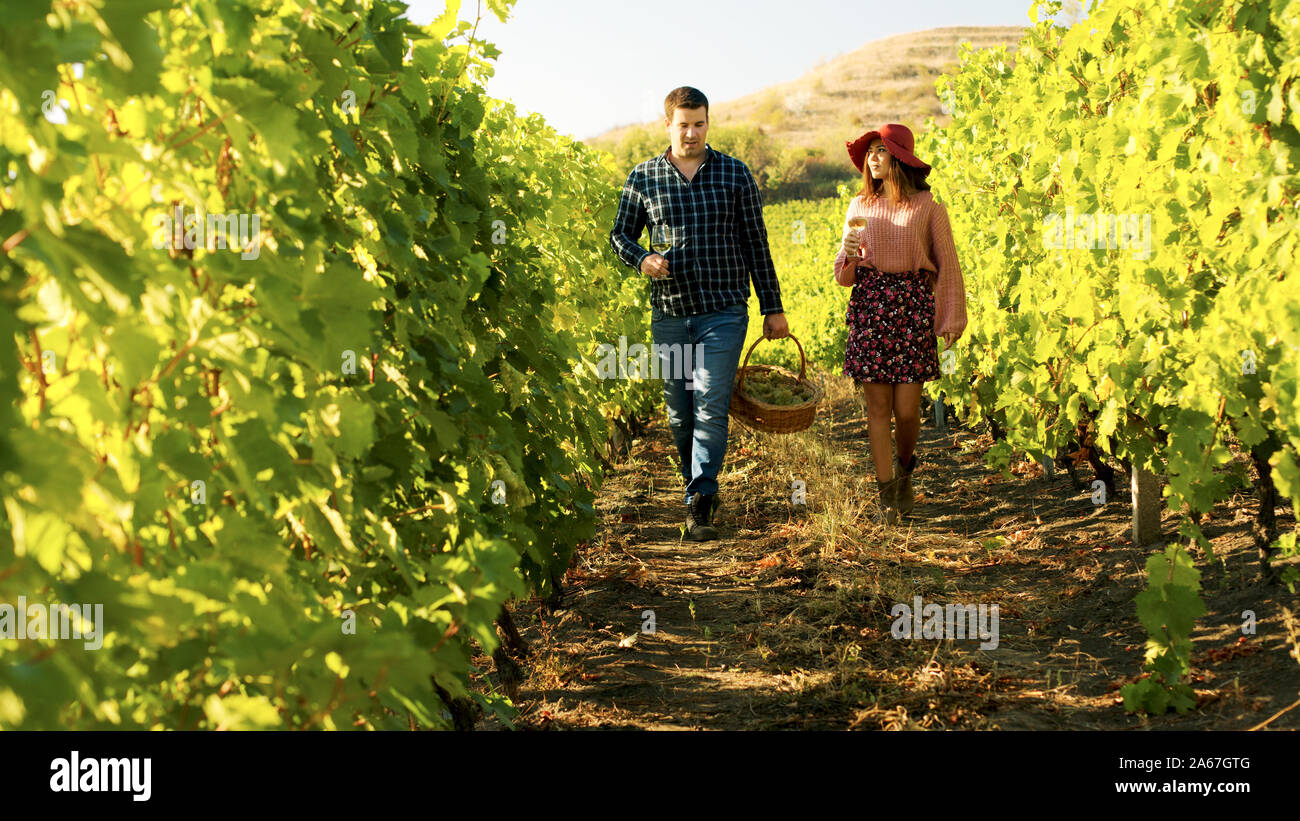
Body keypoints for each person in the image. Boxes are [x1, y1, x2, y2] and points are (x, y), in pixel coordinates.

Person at [610, 86, 789, 541]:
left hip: (724, 311)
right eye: (683, 124)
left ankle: (700, 500)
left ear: (709, 123)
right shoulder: (643, 177)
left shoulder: (735, 174)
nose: (691, 133)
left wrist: (773, 307)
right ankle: (695, 487)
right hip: (670, 313)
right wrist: (642, 259)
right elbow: (619, 236)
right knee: (679, 412)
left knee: (710, 402)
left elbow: (756, 244)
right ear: (667, 124)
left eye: (700, 123)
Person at [832, 123, 967, 525]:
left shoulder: (928, 207)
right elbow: (843, 276)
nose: (873, 158)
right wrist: (849, 253)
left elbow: (948, 264)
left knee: (907, 410)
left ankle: (906, 469)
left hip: (912, 308)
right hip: (871, 306)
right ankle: (887, 494)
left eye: (881, 151)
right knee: (877, 407)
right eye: (870, 151)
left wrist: (951, 315)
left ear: (900, 158)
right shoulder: (858, 207)